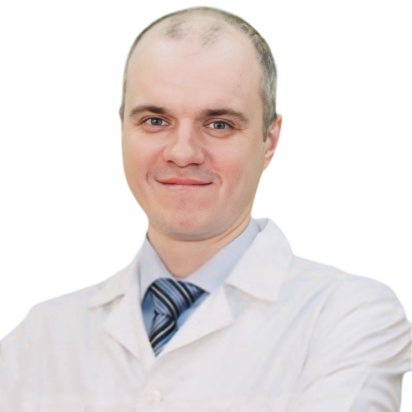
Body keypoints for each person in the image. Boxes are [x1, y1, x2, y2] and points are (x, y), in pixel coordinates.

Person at [1, 4, 411, 411]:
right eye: (155, 120)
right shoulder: (39, 335)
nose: (183, 153)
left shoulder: (351, 315)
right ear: (121, 130)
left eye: (219, 124)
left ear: (270, 141)